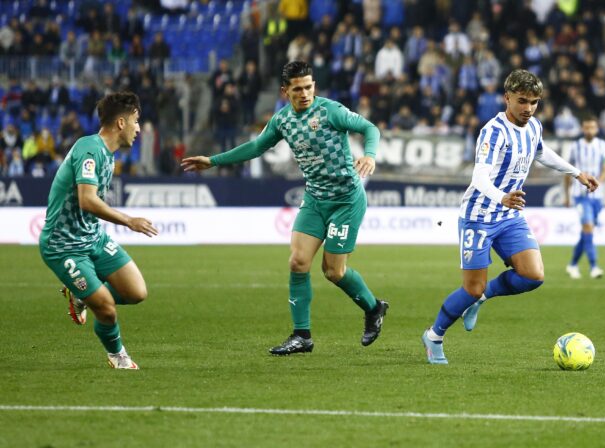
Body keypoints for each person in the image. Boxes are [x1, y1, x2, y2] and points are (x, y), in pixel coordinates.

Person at [182, 61, 388, 355]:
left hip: (346, 200)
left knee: (333, 271)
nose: (304, 93)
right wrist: (213, 161)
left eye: (308, 87)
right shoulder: (282, 121)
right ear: (285, 91)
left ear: (314, 86)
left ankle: (374, 307)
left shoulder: (331, 111)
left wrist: (369, 155)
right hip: (315, 200)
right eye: (297, 89)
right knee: (298, 262)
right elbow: (255, 148)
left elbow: (369, 128)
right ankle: (301, 336)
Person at [421, 70, 599, 365]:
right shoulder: (493, 132)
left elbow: (542, 152)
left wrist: (576, 173)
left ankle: (481, 298)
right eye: (522, 101)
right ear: (507, 98)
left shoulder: (533, 127)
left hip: (508, 215)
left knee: (533, 275)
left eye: (534, 102)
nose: (528, 108)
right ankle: (434, 336)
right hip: (479, 216)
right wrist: (501, 196)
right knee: (471, 287)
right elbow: (479, 176)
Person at [39, 92, 158, 370]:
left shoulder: (109, 155)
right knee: (105, 307)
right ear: (120, 123)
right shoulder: (89, 149)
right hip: (63, 245)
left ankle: (82, 294)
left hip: (93, 238)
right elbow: (87, 200)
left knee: (137, 292)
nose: (138, 128)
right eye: (136, 121)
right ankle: (117, 355)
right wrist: (129, 221)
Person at [564, 115, 605, 279]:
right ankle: (594, 267)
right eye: (586, 127)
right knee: (588, 228)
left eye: (592, 127)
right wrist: (566, 195)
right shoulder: (575, 146)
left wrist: (598, 183)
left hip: (597, 197)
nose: (589, 130)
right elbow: (567, 171)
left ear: (596, 128)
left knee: (587, 232)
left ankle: (572, 265)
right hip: (580, 195)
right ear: (582, 129)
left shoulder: (603, 146)